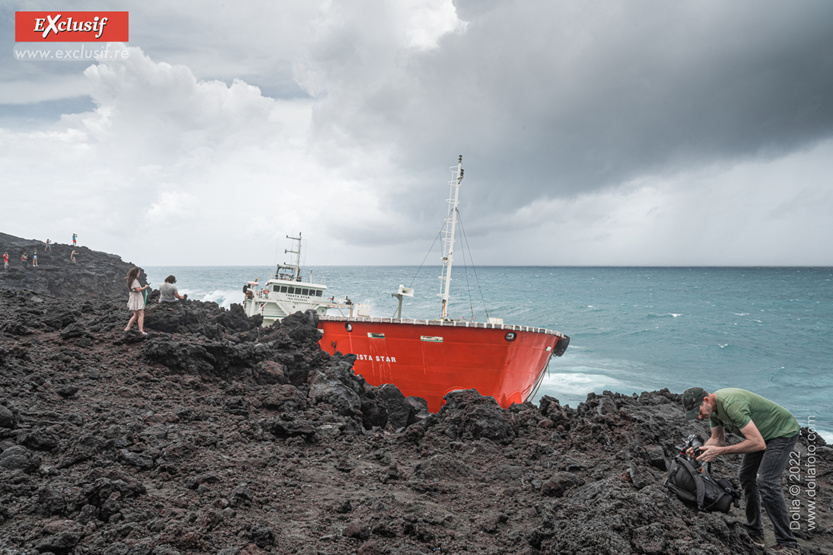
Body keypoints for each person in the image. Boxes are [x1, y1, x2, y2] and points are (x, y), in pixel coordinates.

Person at [682, 387, 800, 554]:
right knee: (745, 476)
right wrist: (700, 451)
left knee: (766, 481)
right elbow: (717, 440)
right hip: (762, 435)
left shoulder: (731, 404)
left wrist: (720, 452)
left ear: (706, 400)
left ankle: (788, 543)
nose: (700, 417)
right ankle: (755, 531)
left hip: (782, 432)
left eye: (699, 412)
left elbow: (757, 444)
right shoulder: (713, 411)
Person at [124, 267, 150, 334]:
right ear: (136, 274)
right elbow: (138, 290)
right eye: (138, 273)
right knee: (141, 314)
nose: (139, 274)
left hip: (133, 297)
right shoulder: (135, 281)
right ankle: (141, 330)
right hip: (137, 298)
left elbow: (134, 289)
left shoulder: (130, 280)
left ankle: (128, 327)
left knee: (135, 315)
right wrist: (145, 287)